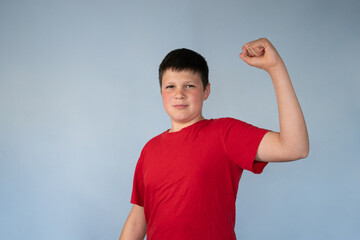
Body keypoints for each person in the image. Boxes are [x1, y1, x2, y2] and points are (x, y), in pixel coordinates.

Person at [119, 38, 309, 240]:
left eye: (190, 86)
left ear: (206, 91)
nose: (179, 94)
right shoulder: (150, 150)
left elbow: (295, 147)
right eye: (170, 86)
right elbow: (138, 217)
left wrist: (275, 68)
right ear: (161, 92)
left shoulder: (225, 133)